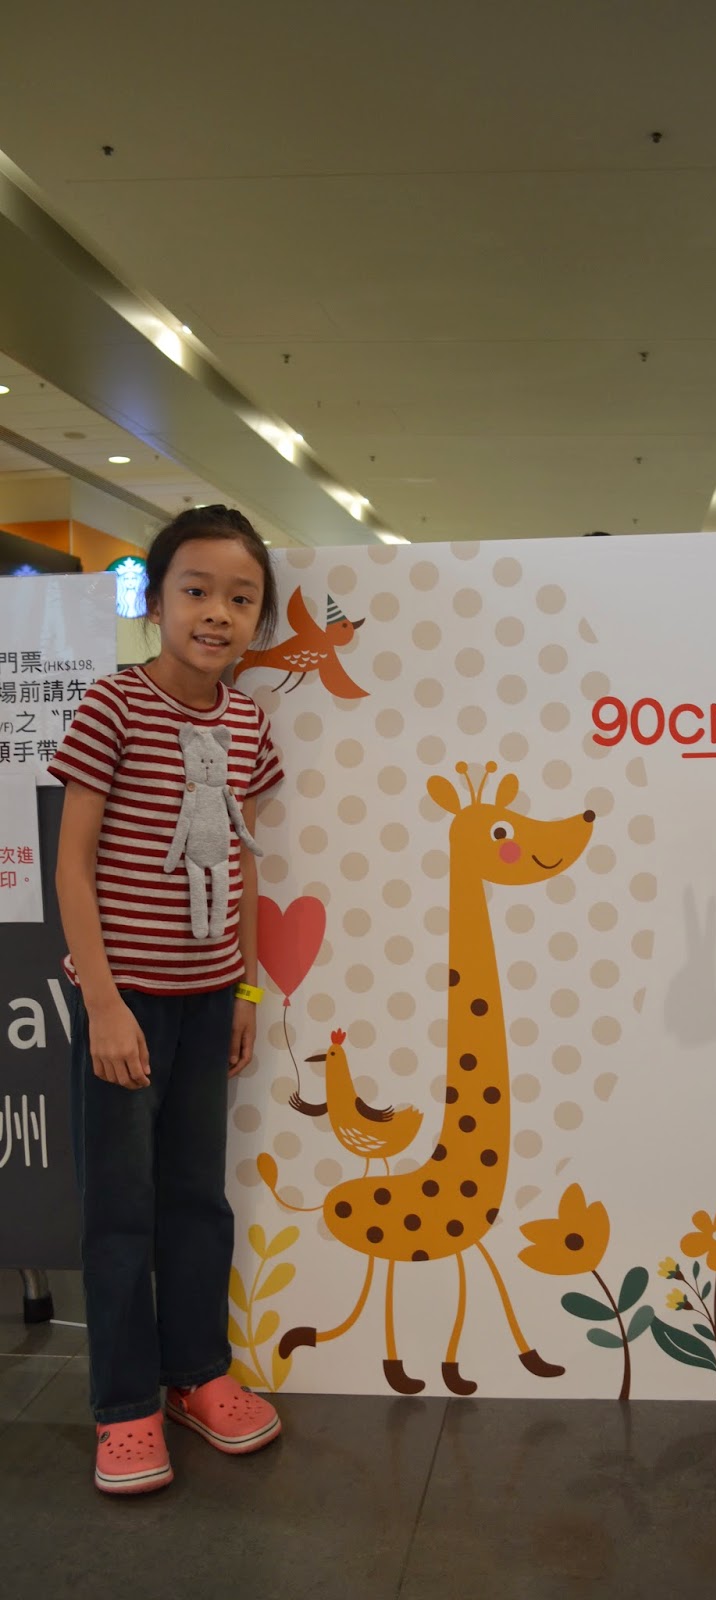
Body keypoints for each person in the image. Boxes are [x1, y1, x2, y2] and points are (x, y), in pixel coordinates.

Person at [51, 505, 285, 1496]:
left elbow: (242, 859)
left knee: (196, 1196)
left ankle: (197, 1374)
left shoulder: (248, 721)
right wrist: (103, 1004)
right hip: (126, 1005)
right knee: (120, 1207)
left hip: (208, 1001)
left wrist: (244, 986)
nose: (217, 612)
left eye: (241, 597)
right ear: (155, 600)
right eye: (196, 590)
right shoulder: (112, 705)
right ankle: (124, 1406)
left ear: (260, 618)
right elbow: (71, 865)